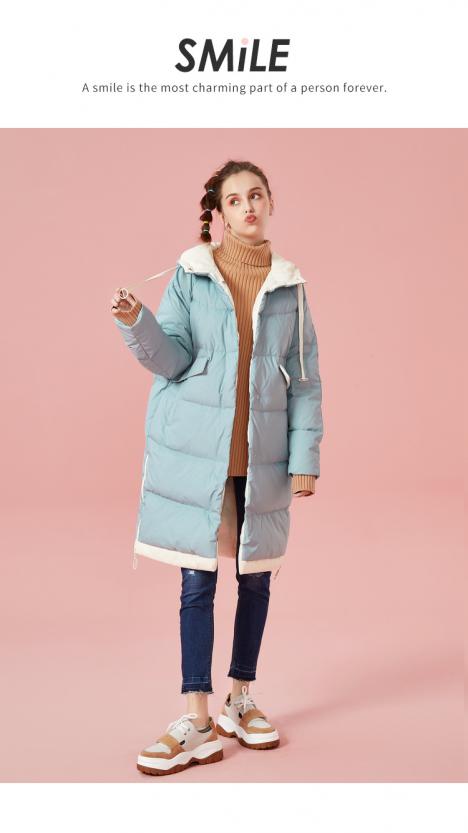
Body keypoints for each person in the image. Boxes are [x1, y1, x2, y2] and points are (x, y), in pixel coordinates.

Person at [110, 160, 324, 776]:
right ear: (220, 213)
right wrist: (137, 322)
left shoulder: (290, 287)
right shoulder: (191, 274)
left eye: (256, 195)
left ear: (270, 203)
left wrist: (305, 458)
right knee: (197, 583)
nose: (248, 207)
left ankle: (241, 698)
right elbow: (173, 360)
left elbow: (305, 380)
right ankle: (197, 719)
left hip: (263, 458)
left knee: (256, 578)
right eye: (235, 200)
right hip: (200, 456)